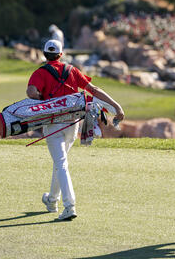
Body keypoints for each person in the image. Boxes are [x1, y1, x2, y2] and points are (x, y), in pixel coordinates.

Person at [26, 39, 125, 221]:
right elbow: (93, 90)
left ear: (44, 54)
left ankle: (69, 205)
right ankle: (51, 199)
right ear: (61, 54)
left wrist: (42, 98)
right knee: (60, 162)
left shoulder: (39, 73)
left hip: (53, 124)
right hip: (73, 124)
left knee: (61, 163)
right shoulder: (71, 70)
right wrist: (116, 106)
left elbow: (31, 92)